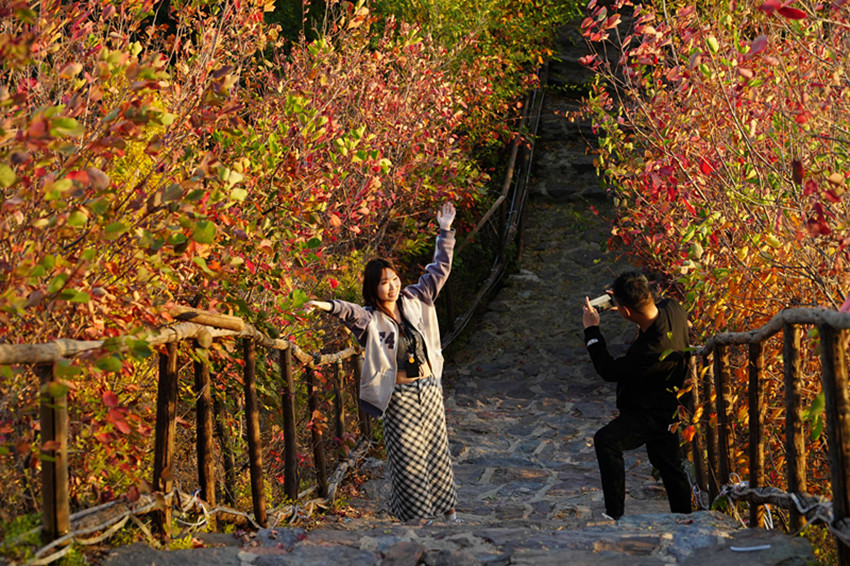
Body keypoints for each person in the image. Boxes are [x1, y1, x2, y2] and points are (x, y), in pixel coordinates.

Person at [306, 202, 458, 523]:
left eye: (394, 278)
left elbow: (439, 270)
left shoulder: (415, 299)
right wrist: (327, 305)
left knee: (437, 451)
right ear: (373, 288)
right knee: (408, 459)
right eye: (384, 282)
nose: (392, 286)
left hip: (429, 389)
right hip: (398, 398)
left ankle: (448, 511)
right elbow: (350, 312)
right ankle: (416, 518)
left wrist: (445, 231)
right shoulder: (370, 319)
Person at [581, 271, 692, 520]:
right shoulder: (673, 308)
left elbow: (608, 370)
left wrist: (592, 331)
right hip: (671, 405)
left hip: (649, 414)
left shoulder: (650, 350)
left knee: (606, 441)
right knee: (669, 466)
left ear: (628, 311)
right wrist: (622, 304)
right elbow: (651, 313)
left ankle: (614, 515)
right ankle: (685, 519)